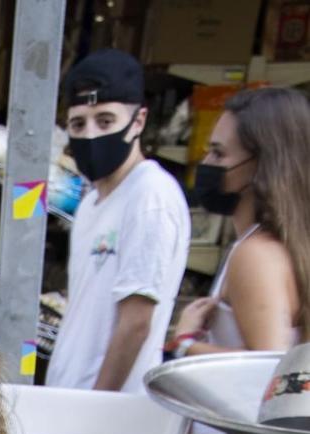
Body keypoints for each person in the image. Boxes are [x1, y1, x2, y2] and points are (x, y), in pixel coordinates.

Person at [47, 50, 190, 394]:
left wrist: (97, 404)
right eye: (78, 124)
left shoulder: (149, 197)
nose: (91, 135)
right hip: (71, 397)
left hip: (107, 415)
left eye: (106, 121)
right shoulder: (92, 203)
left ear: (138, 121)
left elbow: (136, 322)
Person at [172, 87, 310, 358]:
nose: (206, 163)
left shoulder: (255, 254)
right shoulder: (277, 245)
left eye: (218, 154)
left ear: (261, 165)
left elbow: (267, 370)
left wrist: (186, 344)